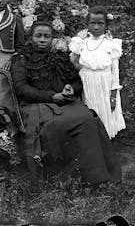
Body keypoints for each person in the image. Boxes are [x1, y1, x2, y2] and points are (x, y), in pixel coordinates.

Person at [11, 20, 121, 188]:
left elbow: (77, 82)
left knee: (88, 118)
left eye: (46, 36)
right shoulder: (21, 59)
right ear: (30, 38)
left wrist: (70, 88)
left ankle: (95, 177)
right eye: (38, 36)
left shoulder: (60, 57)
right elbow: (21, 89)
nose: (42, 40)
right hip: (36, 106)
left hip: (63, 102)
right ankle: (68, 178)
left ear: (53, 38)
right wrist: (52, 96)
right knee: (74, 121)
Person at [69, 5, 126, 139]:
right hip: (87, 84)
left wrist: (113, 95)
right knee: (90, 111)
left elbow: (115, 71)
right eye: (92, 23)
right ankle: (91, 140)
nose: (96, 27)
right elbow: (75, 65)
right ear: (87, 24)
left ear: (106, 25)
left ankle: (106, 140)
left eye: (100, 23)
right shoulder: (82, 43)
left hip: (104, 84)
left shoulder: (111, 45)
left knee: (105, 112)